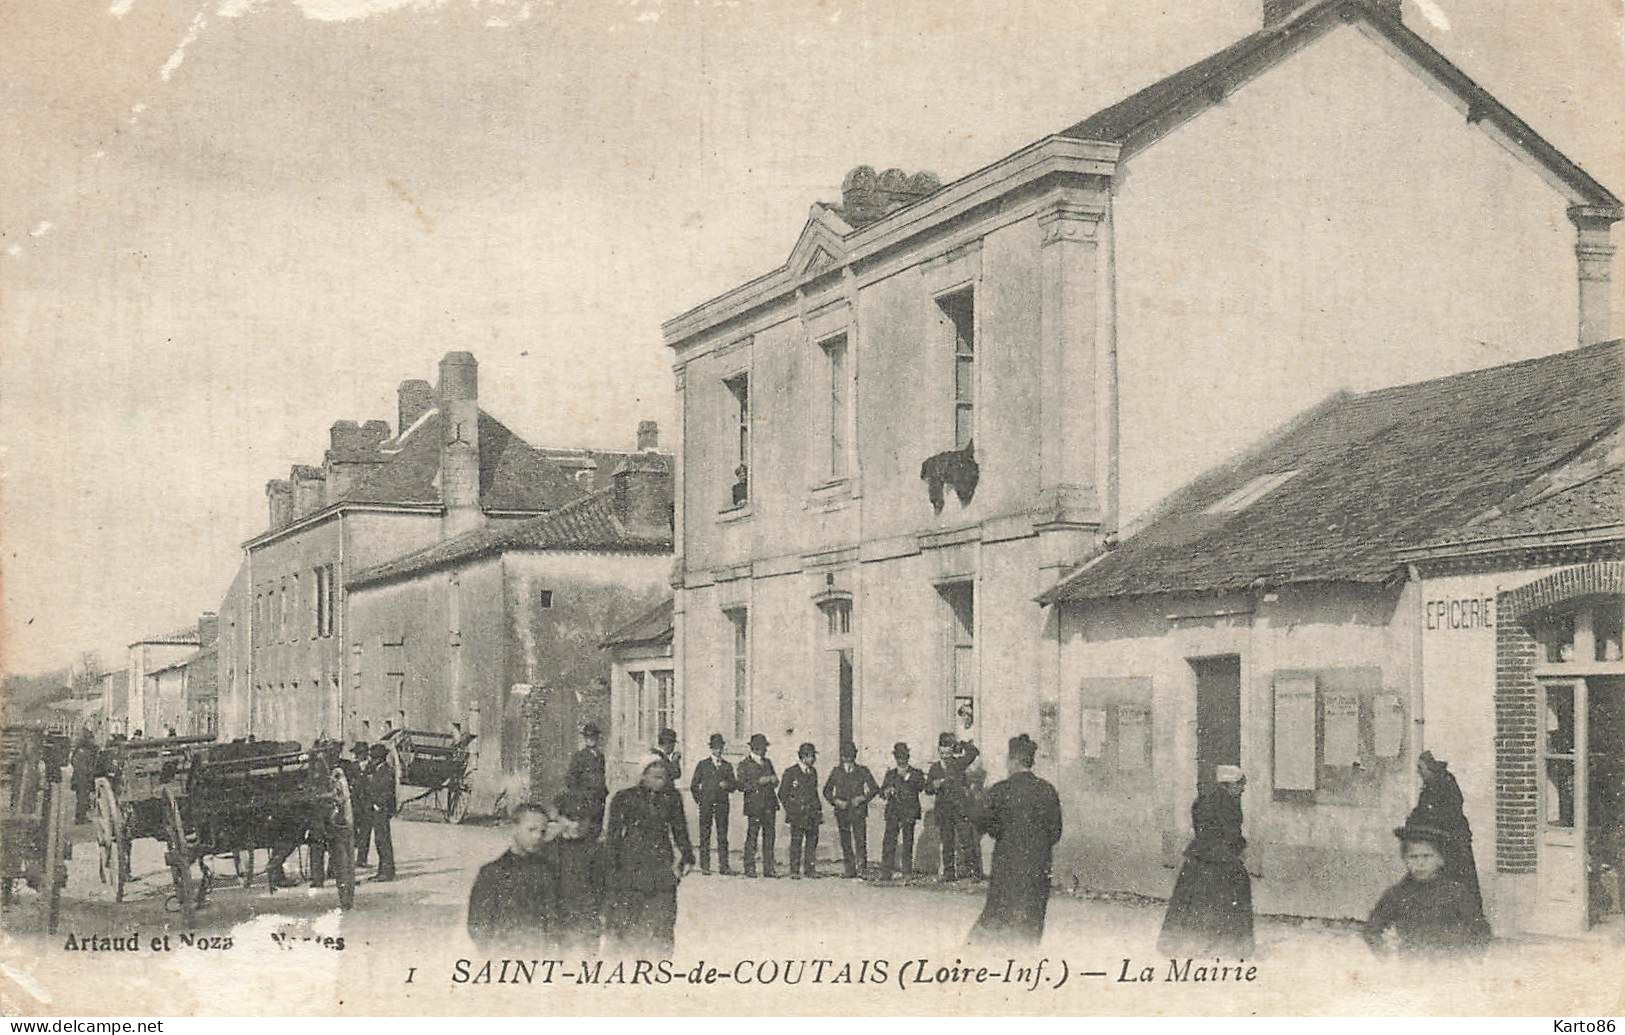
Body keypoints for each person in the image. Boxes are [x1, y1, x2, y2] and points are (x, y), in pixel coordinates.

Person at [968, 733, 1063, 945]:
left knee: (995, 927)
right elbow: (1055, 832)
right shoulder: (1048, 791)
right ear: (1031, 760)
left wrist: (997, 830)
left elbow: (978, 820)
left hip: (1007, 869)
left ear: (1012, 761)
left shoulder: (1001, 790)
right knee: (1030, 929)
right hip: (1038, 870)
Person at [1158, 765, 1254, 957]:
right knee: (1221, 898)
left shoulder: (1210, 799)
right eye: (1240, 785)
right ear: (1229, 785)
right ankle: (1224, 945)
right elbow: (1224, 832)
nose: (1243, 789)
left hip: (1205, 856)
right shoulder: (1223, 802)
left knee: (1195, 901)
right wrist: (1237, 847)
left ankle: (1191, 943)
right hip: (1216, 858)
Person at [604, 755, 695, 955]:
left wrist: (687, 856)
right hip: (631, 866)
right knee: (630, 924)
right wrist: (611, 870)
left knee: (662, 923)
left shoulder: (672, 798)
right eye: (654, 773)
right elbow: (613, 837)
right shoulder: (624, 798)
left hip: (661, 865)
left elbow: (680, 829)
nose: (660, 777)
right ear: (643, 776)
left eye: (662, 774)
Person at [1364, 822, 1491, 958]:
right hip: (1411, 964)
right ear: (1405, 860)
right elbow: (1372, 929)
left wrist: (1470, 959)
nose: (1420, 863)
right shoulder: (1397, 894)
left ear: (1440, 860)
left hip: (1450, 965)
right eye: (1413, 857)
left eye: (1427, 856)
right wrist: (1384, 956)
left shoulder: (1456, 892)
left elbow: (1481, 931)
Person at [467, 802, 558, 951]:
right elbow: (478, 926)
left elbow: (552, 920)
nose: (537, 836)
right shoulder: (492, 873)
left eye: (543, 831)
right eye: (531, 830)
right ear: (514, 828)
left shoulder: (547, 871)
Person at [1410, 751, 1486, 921]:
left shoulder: (1443, 785)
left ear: (1430, 768)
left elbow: (1444, 813)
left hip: (1452, 843)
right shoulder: (1432, 785)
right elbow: (1422, 811)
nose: (1419, 772)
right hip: (1442, 843)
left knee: (1459, 881)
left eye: (1421, 768)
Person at [548, 794, 606, 955]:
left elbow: (604, 888)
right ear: (558, 818)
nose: (576, 825)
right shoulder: (547, 851)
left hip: (585, 923)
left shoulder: (598, 852)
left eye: (583, 819)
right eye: (570, 818)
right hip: (554, 922)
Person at [925, 732, 981, 881]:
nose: (945, 756)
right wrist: (934, 785)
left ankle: (974, 872)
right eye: (942, 753)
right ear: (939, 751)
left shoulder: (958, 763)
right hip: (944, 811)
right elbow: (927, 789)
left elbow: (974, 752)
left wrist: (960, 744)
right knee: (947, 842)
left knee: (966, 841)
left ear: (952, 750)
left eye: (948, 752)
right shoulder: (935, 768)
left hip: (959, 808)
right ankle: (949, 873)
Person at [823, 742, 879, 878]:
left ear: (855, 755)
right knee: (845, 841)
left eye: (851, 755)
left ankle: (862, 869)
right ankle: (850, 869)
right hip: (842, 812)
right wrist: (836, 801)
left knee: (860, 840)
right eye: (846, 756)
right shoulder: (836, 771)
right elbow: (826, 791)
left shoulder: (862, 770)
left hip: (858, 811)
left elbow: (874, 788)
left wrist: (862, 798)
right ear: (842, 757)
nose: (848, 759)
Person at [880, 742, 927, 881]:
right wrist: (886, 791)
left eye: (904, 756)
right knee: (889, 841)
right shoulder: (890, 774)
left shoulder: (916, 773)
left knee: (908, 842)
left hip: (909, 812)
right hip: (893, 812)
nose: (901, 760)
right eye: (899, 757)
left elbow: (921, 787)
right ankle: (886, 871)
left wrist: (908, 778)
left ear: (908, 756)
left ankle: (907, 871)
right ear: (895, 758)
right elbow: (882, 793)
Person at [689, 733, 736, 875]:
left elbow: (734, 785)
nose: (718, 750)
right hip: (706, 805)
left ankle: (724, 866)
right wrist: (701, 800)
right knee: (705, 835)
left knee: (722, 835)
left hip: (722, 804)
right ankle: (705, 866)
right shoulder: (703, 765)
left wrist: (727, 785)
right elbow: (694, 786)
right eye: (715, 748)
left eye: (720, 747)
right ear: (711, 749)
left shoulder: (727, 766)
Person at [736, 733, 779, 878]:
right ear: (755, 748)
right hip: (754, 805)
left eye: (765, 747)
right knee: (752, 836)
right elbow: (741, 785)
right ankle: (749, 867)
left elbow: (775, 780)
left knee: (770, 837)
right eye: (762, 747)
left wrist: (773, 780)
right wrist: (759, 782)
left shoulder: (768, 762)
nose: (765, 750)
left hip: (769, 804)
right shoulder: (744, 764)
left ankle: (769, 868)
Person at [779, 742, 822, 878]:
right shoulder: (791, 772)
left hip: (812, 813)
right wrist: (791, 810)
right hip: (797, 814)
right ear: (803, 757)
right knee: (796, 842)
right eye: (811, 756)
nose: (813, 759)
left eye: (814, 756)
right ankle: (794, 870)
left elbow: (814, 792)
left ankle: (810, 869)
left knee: (812, 841)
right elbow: (782, 794)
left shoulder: (813, 772)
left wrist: (818, 810)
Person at [564, 722, 610, 837]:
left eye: (594, 736)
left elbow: (601, 775)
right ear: (585, 738)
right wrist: (580, 796)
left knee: (597, 827)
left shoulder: (600, 756)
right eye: (589, 737)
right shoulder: (579, 756)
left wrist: (603, 792)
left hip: (599, 799)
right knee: (586, 830)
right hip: (586, 800)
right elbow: (570, 779)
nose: (591, 739)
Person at [364, 742, 398, 881]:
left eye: (373, 757)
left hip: (381, 810)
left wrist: (378, 804)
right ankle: (382, 871)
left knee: (383, 841)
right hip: (378, 809)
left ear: (378, 759)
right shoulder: (378, 770)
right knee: (380, 841)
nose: (371, 760)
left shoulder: (385, 771)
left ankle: (387, 872)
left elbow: (387, 792)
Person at [348, 742, 374, 868]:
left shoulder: (372, 766)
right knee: (351, 831)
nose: (359, 756)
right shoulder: (351, 767)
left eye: (362, 753)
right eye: (357, 754)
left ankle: (362, 859)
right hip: (354, 804)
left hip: (367, 804)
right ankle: (349, 858)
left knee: (366, 832)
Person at [70, 728, 98, 824]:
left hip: (81, 777)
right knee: (82, 798)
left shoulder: (81, 751)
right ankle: (80, 817)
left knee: (83, 797)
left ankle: (81, 816)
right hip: (82, 778)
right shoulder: (83, 752)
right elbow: (82, 767)